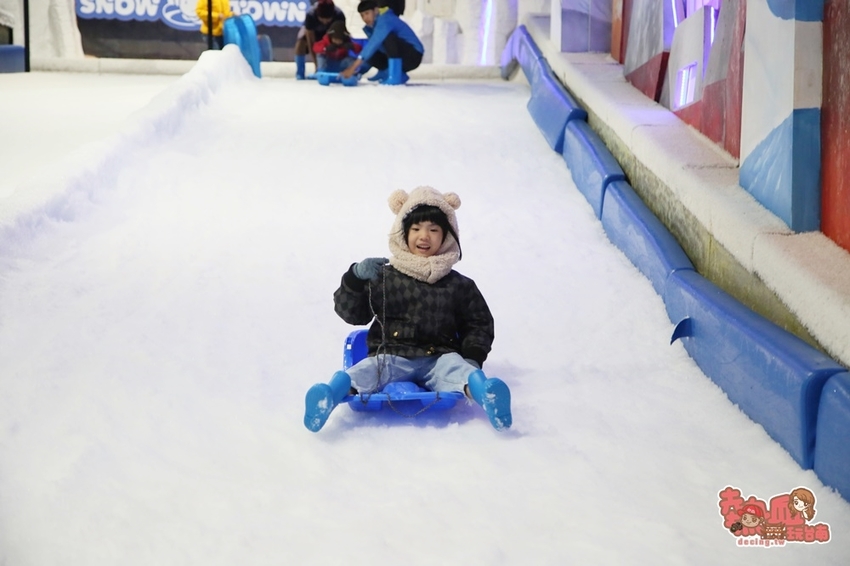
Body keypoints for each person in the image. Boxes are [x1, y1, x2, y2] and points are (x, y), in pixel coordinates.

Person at [304, 186, 512, 433]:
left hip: (439, 357)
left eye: (434, 230)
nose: (424, 236)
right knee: (366, 371)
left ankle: (485, 393)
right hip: (392, 355)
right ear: (403, 233)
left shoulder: (459, 285)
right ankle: (329, 395)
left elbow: (479, 323)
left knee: (459, 370)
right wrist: (355, 279)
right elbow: (353, 314)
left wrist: (472, 357)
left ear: (447, 236)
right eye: (416, 229)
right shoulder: (385, 277)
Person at [340, 0, 423, 85]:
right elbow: (372, 49)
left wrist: (353, 67)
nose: (365, 18)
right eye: (362, 15)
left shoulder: (385, 19)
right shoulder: (373, 26)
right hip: (403, 56)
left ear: (376, 10)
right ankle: (387, 72)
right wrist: (357, 71)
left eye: (367, 13)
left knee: (387, 38)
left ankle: (395, 75)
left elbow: (373, 43)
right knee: (372, 53)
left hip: (413, 55)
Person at [293, 0, 345, 79]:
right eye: (322, 19)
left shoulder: (339, 15)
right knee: (301, 41)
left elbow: (341, 39)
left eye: (328, 20)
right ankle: (300, 73)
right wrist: (317, 66)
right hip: (315, 35)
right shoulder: (310, 15)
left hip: (330, 37)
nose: (325, 22)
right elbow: (311, 43)